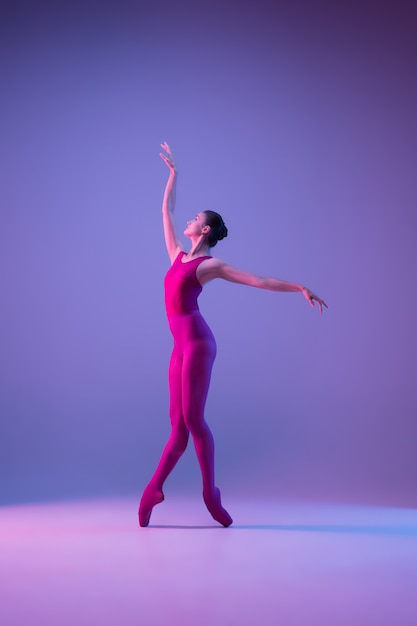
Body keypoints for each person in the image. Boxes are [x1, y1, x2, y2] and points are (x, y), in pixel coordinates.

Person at [138, 142, 327, 528]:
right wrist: (174, 174)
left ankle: (210, 493)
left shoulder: (210, 265)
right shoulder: (177, 254)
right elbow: (165, 211)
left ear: (204, 229)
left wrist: (298, 287)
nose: (187, 220)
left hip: (197, 344)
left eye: (194, 218)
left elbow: (258, 280)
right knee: (177, 426)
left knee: (194, 422)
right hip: (179, 347)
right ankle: (155, 489)